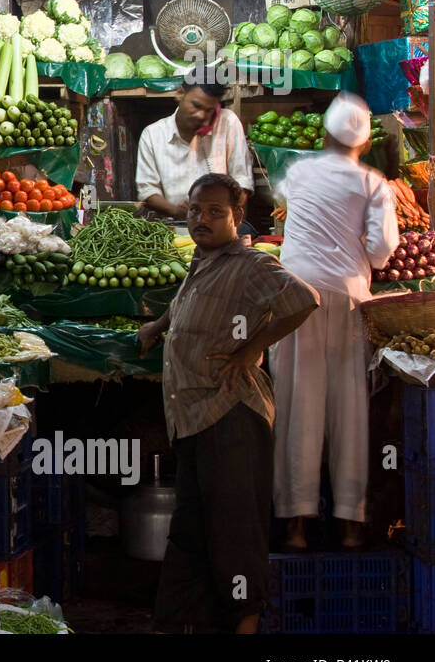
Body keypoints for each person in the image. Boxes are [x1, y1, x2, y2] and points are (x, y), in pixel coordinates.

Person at [138, 173, 318, 633]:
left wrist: (249, 349)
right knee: (190, 533)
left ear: (237, 217)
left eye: (216, 211)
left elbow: (303, 300)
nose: (202, 219)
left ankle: (246, 626)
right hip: (194, 416)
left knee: (235, 534)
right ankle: (178, 625)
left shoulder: (250, 263)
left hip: (230, 417)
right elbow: (185, 304)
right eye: (196, 210)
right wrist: (158, 326)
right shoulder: (204, 260)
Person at [269, 93, 399, 551]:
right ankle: (349, 525)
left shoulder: (300, 170)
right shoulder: (375, 183)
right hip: (348, 299)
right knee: (349, 409)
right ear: (363, 144)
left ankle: (296, 525)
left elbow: (288, 207)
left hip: (294, 296)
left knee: (296, 406)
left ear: (325, 135)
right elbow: (383, 251)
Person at [136, 81, 254, 221]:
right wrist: (176, 211)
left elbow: (242, 181)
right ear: (180, 93)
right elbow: (147, 190)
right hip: (176, 224)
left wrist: (219, 211)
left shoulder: (227, 122)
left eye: (209, 110)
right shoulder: (153, 134)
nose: (200, 115)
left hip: (221, 225)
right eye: (196, 106)